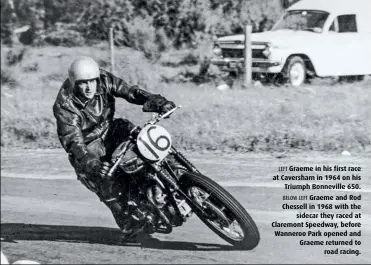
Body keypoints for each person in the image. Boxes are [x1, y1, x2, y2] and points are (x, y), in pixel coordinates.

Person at [53, 56, 176, 235]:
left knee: (142, 136)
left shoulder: (103, 79)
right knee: (103, 177)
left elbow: (130, 92)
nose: (89, 87)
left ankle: (176, 171)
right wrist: (90, 162)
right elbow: (72, 140)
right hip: (88, 145)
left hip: (110, 129)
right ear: (74, 83)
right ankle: (126, 219)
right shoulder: (65, 104)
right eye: (83, 83)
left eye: (92, 81)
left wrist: (156, 101)